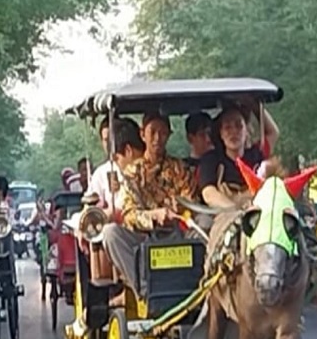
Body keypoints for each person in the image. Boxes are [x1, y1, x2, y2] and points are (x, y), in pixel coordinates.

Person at [100, 114, 192, 293]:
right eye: (153, 133)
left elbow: (189, 203)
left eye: (163, 133)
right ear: (143, 135)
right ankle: (144, 289)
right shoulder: (132, 172)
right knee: (110, 233)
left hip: (177, 234)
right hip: (144, 239)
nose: (158, 138)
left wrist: (176, 212)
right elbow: (129, 213)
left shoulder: (180, 169)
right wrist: (152, 215)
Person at [197, 102, 267, 208]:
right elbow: (208, 193)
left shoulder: (257, 156)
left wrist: (254, 103)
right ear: (221, 133)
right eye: (227, 127)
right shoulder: (211, 159)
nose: (233, 132)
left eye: (239, 126)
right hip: (223, 214)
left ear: (246, 130)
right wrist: (234, 209)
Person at [182, 112, 214, 187]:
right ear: (190, 138)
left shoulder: (220, 163)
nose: (208, 139)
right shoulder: (182, 168)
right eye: (202, 135)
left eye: (209, 133)